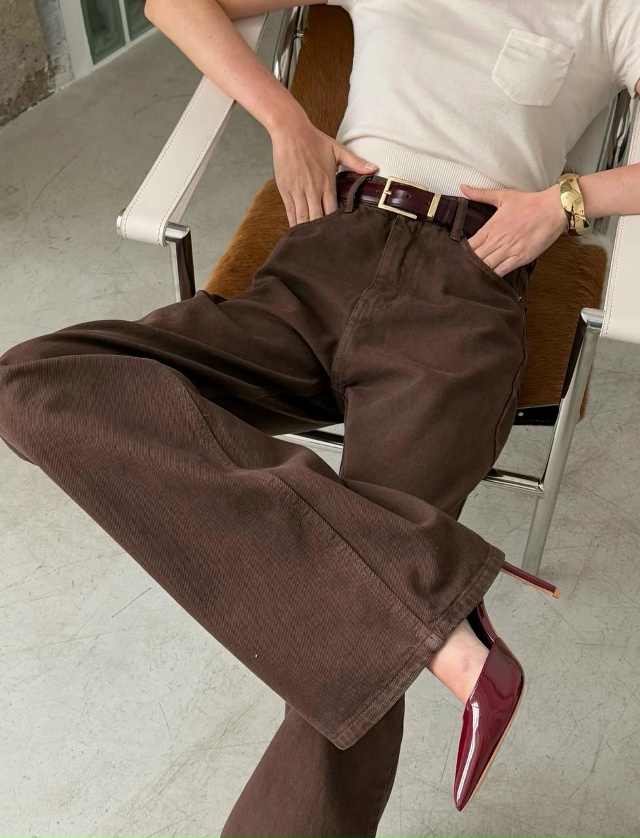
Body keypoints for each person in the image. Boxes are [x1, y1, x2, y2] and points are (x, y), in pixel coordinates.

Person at [1, 0, 639, 834]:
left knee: (348, 656)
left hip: (463, 299)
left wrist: (569, 200)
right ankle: (422, 595)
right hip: (320, 258)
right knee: (33, 382)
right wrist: (285, 116)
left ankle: (411, 598)